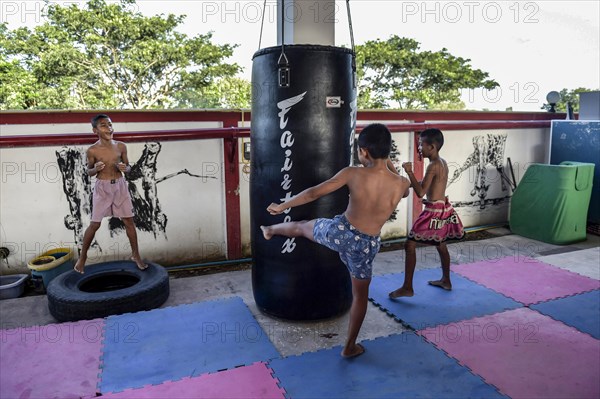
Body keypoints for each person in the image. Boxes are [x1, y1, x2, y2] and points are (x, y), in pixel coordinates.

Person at [261, 123, 411, 358]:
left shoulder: (353, 173)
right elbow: (404, 190)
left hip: (341, 233)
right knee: (360, 296)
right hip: (368, 245)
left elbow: (314, 193)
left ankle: (270, 229)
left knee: (301, 227)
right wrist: (388, 163)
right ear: (387, 152)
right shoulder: (402, 184)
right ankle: (350, 347)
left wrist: (282, 206)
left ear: (364, 152)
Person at [389, 128, 464, 298]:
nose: (419, 148)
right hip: (442, 207)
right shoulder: (442, 162)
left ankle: (407, 287)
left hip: (433, 211)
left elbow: (421, 192)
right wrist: (403, 183)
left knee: (410, 244)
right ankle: (446, 280)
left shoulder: (432, 165)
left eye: (421, 144)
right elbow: (427, 184)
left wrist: (409, 172)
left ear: (432, 146)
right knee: (440, 243)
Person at [73, 114, 148, 273]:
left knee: (129, 221)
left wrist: (125, 168)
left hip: (120, 186)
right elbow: (89, 172)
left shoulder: (121, 146)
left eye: (110, 124)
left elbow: (128, 168)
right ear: (95, 130)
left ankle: (136, 255)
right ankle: (83, 257)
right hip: (102, 188)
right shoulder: (92, 150)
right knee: (95, 224)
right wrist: (96, 169)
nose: (109, 128)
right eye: (103, 125)